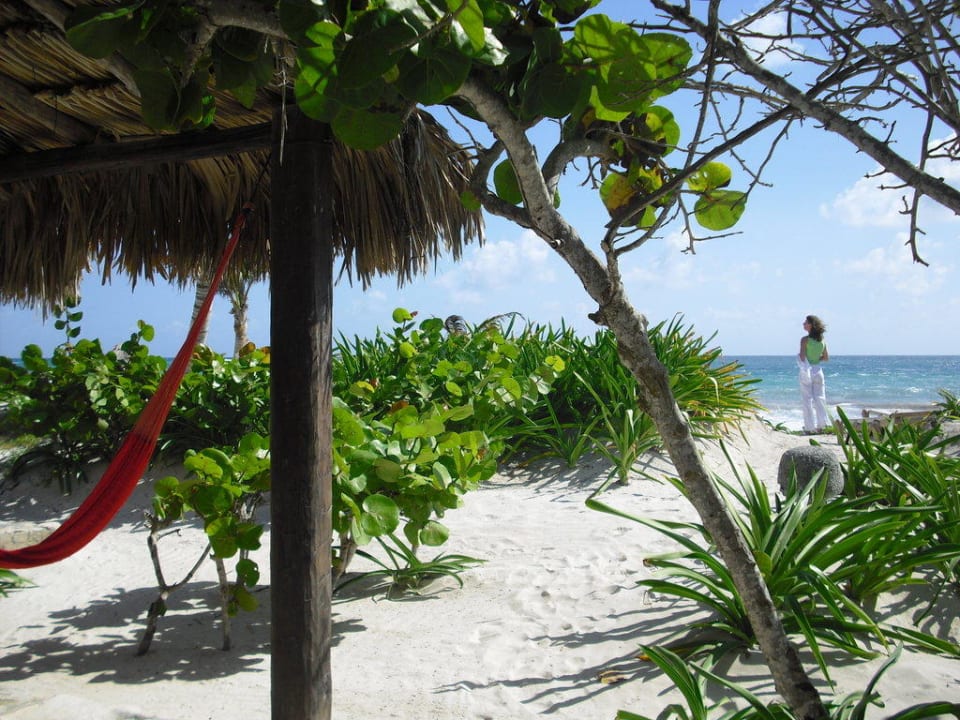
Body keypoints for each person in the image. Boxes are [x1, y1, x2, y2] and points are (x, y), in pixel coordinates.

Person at [798, 315, 830, 434]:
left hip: (807, 370)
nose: (803, 324)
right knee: (820, 398)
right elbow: (826, 358)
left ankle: (809, 428)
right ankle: (822, 426)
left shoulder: (805, 340)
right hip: (818, 370)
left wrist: (807, 360)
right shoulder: (822, 340)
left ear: (811, 325)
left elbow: (802, 357)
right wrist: (816, 358)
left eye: (806, 322)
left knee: (807, 399)